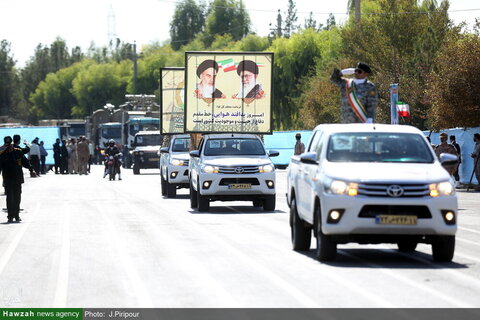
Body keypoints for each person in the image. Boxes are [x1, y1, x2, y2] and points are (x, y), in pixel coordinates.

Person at [0, 136, 36, 222]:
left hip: (17, 178)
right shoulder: (2, 154)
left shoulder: (18, 152)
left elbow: (25, 162)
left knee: (17, 197)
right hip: (8, 178)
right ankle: (10, 216)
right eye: (7, 145)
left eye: (10, 145)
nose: (9, 147)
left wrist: (31, 169)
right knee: (9, 198)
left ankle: (16, 215)